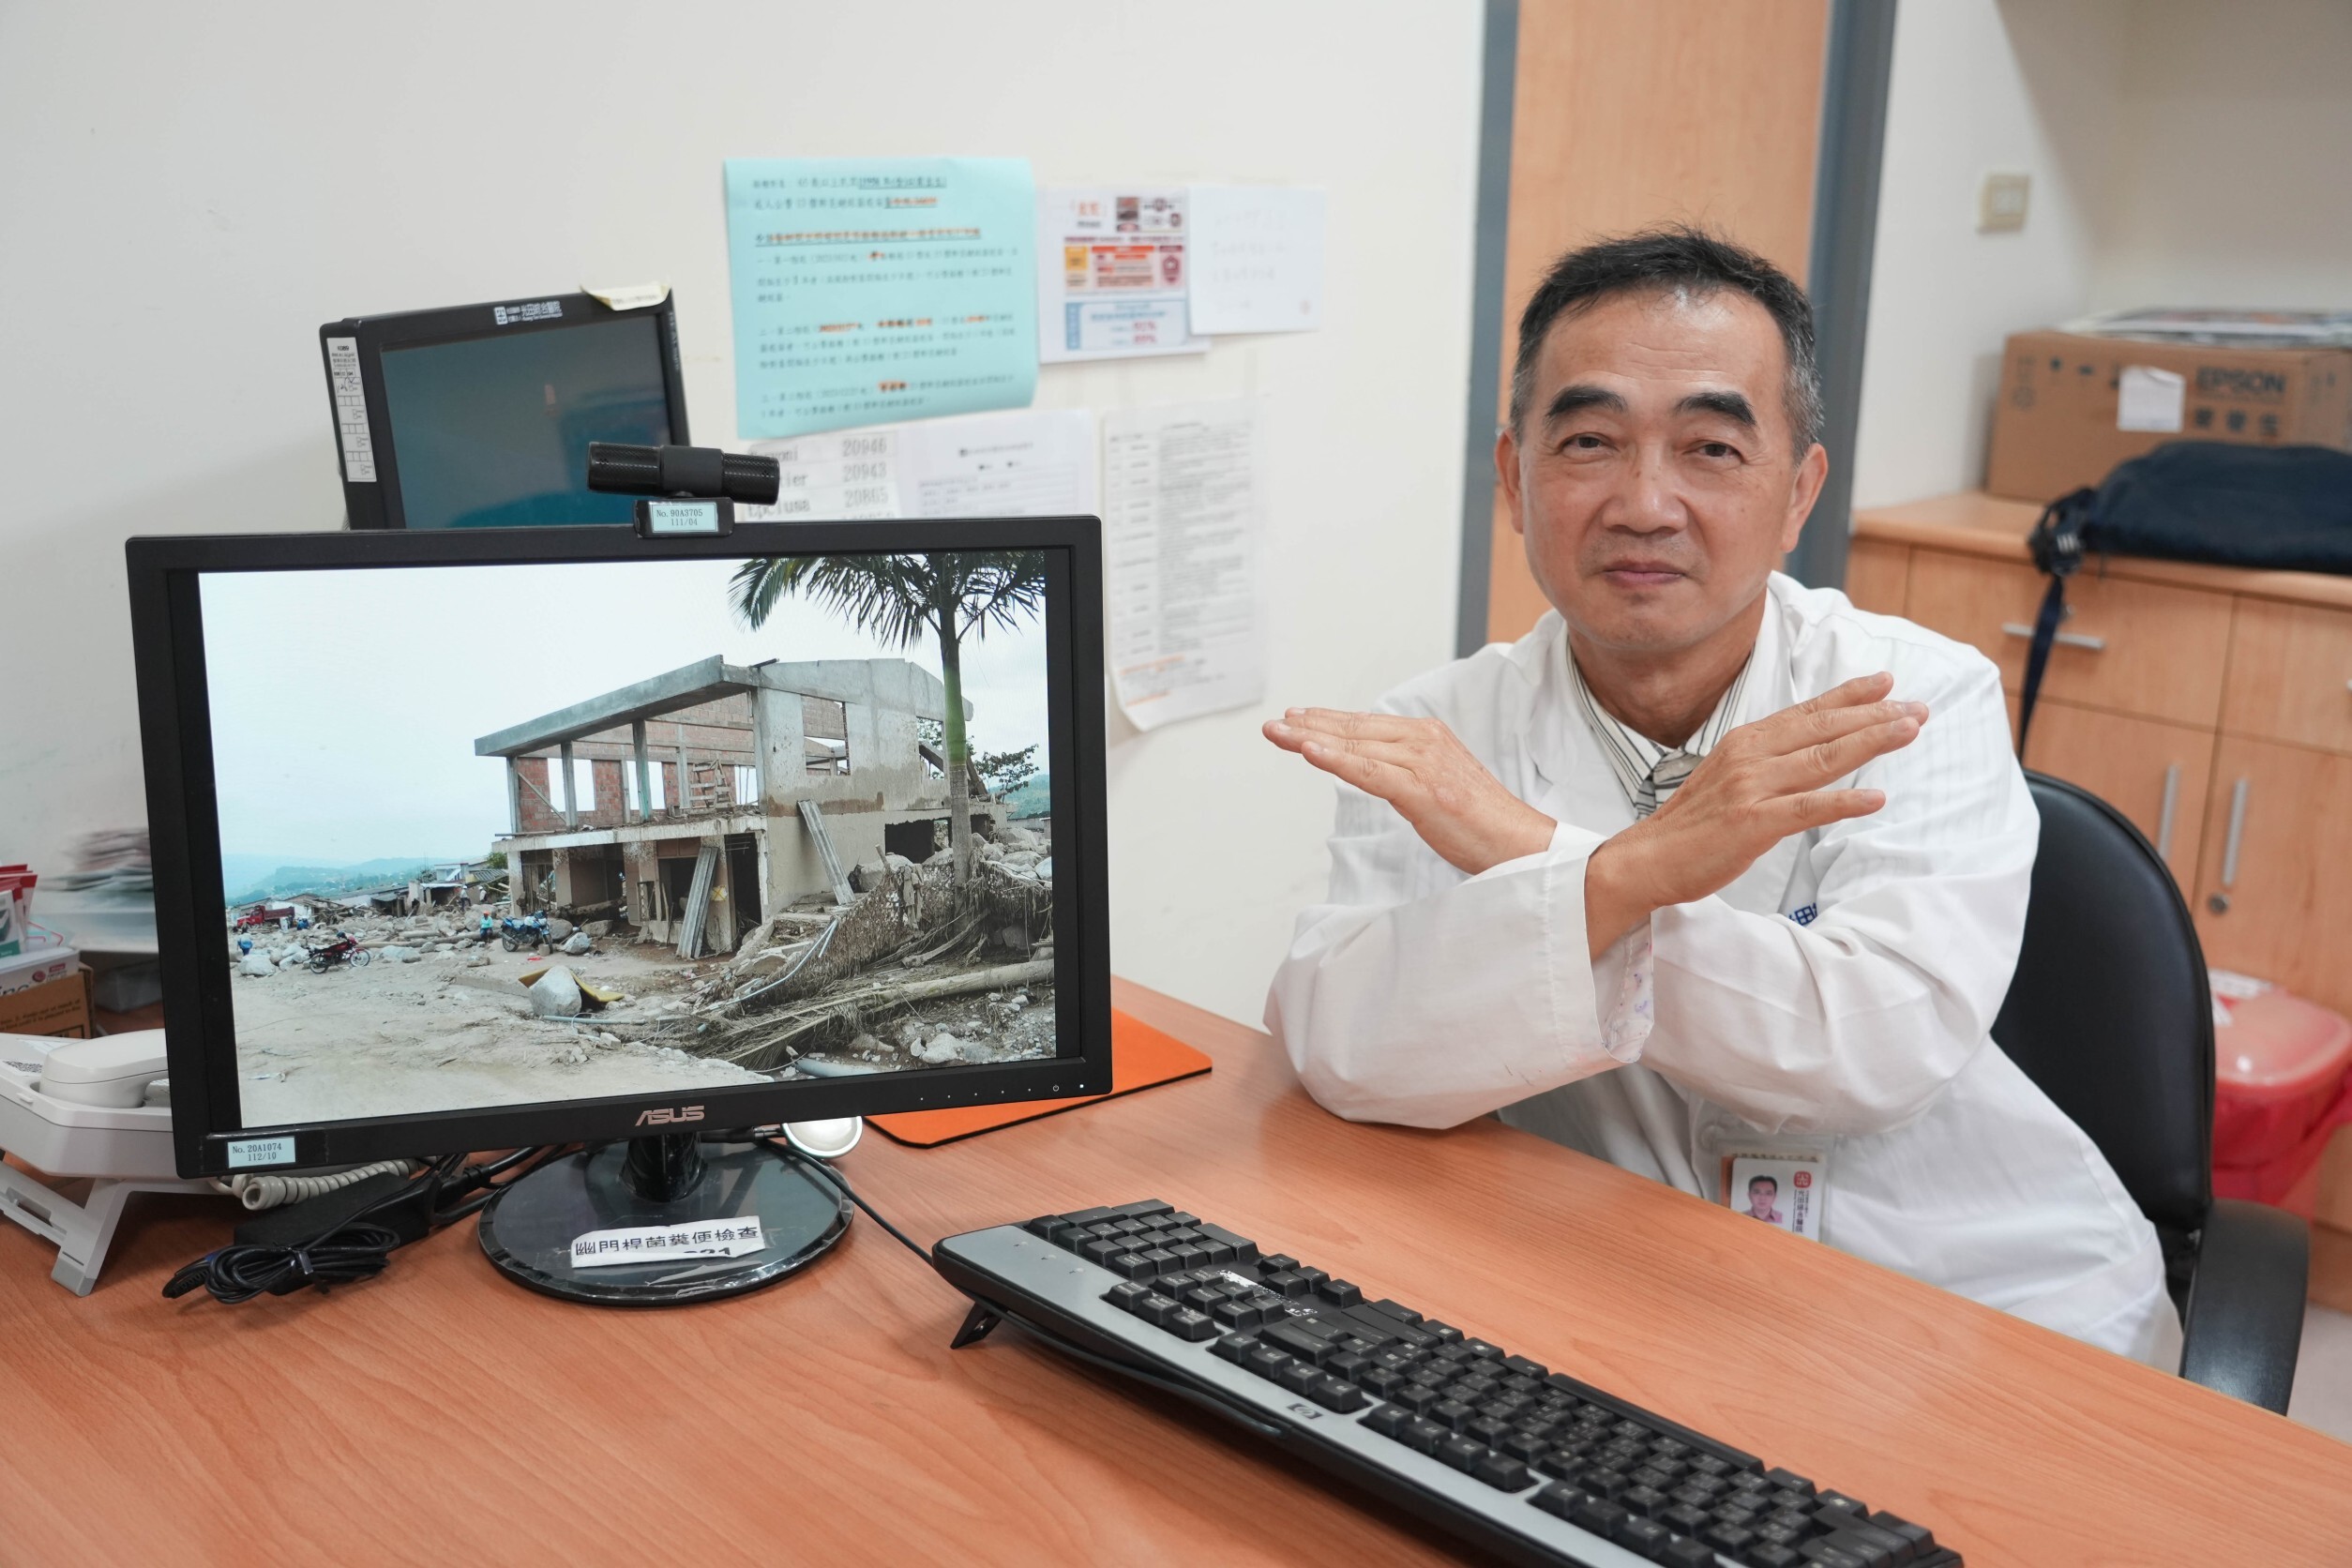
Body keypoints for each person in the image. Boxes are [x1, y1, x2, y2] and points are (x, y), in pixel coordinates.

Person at [1262, 227, 2176, 1364]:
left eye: (1711, 449)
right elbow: (1349, 1046)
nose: (1646, 503)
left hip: (1960, 1298)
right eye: (1590, 440)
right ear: (1513, 479)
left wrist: (1533, 856)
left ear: (1799, 492)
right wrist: (1623, 873)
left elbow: (1876, 1047)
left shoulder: (1915, 695)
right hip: (1621, 1290)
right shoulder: (1436, 732)